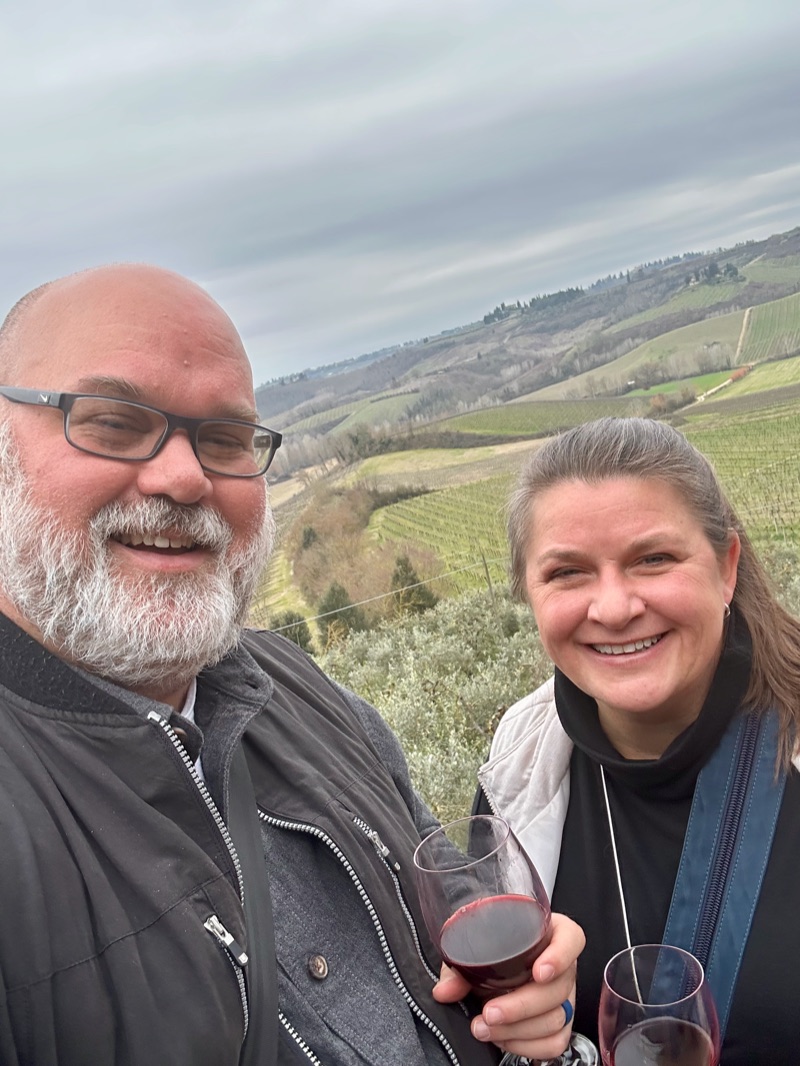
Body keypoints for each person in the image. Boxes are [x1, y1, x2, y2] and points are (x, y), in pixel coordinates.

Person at [0, 263, 583, 1066]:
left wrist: (524, 985)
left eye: (226, 438)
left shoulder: (291, 681)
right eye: (111, 422)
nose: (184, 476)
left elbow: (437, 883)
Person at [474, 417, 800, 1065]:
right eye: (568, 572)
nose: (615, 607)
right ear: (530, 597)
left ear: (726, 567)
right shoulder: (518, 762)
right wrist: (532, 1024)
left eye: (653, 559)